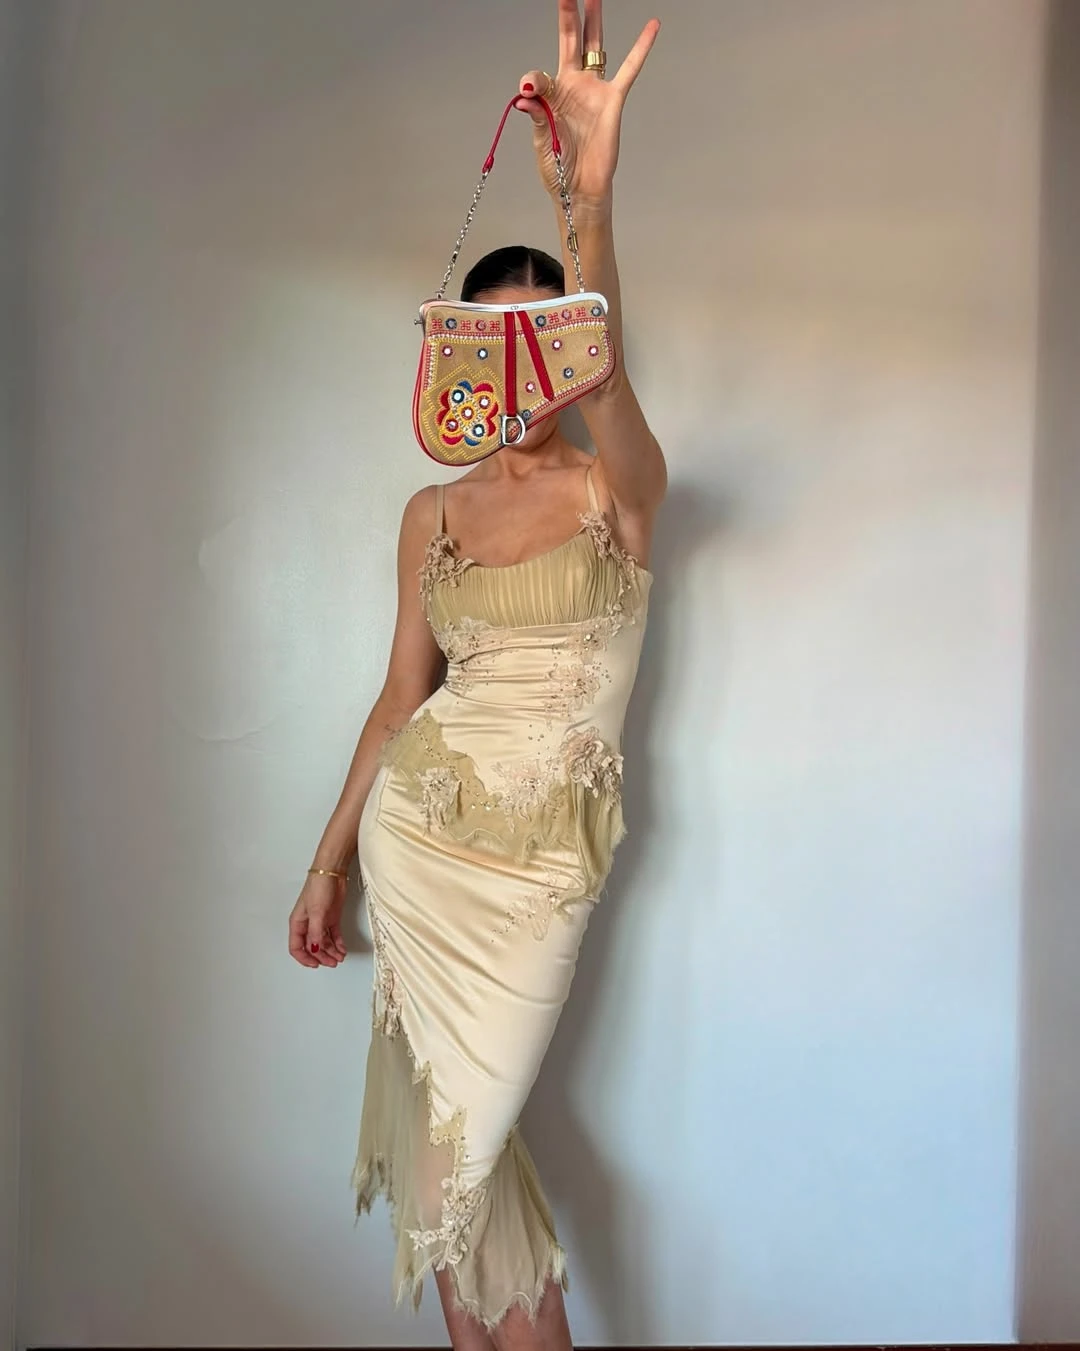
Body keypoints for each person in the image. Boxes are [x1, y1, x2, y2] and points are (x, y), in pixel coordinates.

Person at [288, 3, 665, 1346]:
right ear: (453, 361)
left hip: (541, 865)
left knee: (464, 1157)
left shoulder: (618, 491)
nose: (517, 374)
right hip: (421, 841)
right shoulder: (432, 513)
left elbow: (611, 387)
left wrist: (587, 204)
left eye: (540, 341)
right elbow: (401, 701)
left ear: (567, 351)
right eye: (486, 345)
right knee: (448, 1180)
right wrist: (329, 861)